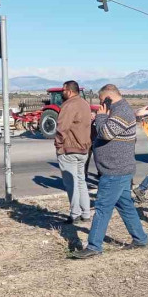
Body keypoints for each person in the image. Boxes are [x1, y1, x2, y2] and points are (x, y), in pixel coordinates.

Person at [71, 84, 148, 259]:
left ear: (108, 98)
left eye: (101, 101)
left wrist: (99, 117)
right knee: (125, 206)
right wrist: (99, 118)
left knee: (102, 208)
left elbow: (106, 133)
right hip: (117, 169)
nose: (100, 105)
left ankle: (94, 246)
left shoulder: (122, 111)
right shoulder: (116, 111)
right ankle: (140, 239)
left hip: (115, 170)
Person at [55, 80, 92, 223]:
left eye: (63, 90)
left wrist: (58, 146)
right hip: (84, 149)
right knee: (81, 181)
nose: (61, 93)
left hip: (69, 149)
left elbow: (61, 128)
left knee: (72, 183)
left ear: (69, 91)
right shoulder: (84, 104)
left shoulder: (68, 105)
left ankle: (75, 214)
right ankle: (86, 213)